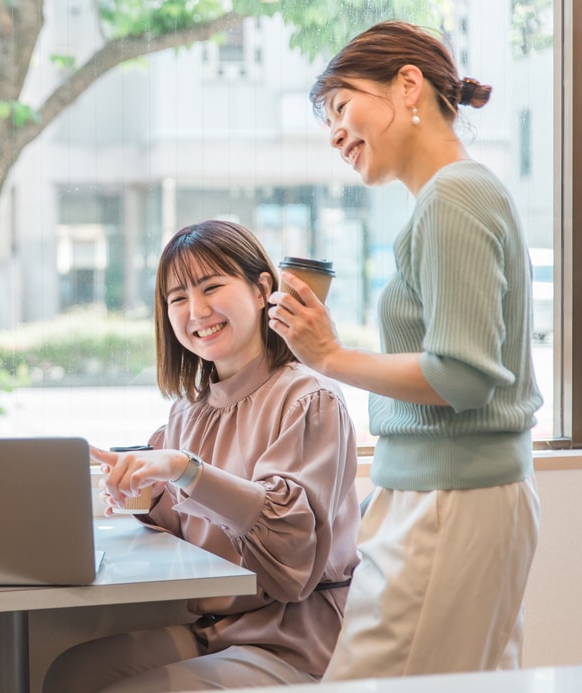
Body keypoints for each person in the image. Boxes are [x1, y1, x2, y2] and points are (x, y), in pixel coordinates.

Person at [267, 20, 542, 680]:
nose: (334, 133)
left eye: (341, 106)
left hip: (449, 496)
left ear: (407, 85)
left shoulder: (455, 197)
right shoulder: (453, 197)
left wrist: (328, 356)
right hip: (446, 490)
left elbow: (466, 375)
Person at [43, 220, 360, 692]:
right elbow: (188, 537)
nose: (197, 310)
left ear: (261, 290)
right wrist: (147, 496)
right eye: (177, 299)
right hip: (218, 630)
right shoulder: (188, 412)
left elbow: (290, 562)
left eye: (212, 287)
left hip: (294, 642)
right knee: (68, 674)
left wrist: (186, 470)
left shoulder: (307, 399)